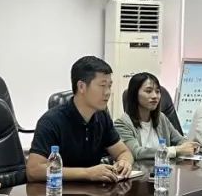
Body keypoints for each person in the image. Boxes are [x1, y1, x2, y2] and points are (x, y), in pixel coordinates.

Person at [27, 56, 134, 184]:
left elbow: (123, 151)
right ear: (81, 86)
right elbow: (34, 170)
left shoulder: (102, 116)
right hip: (59, 192)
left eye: (109, 86)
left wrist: (124, 162)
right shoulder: (51, 121)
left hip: (93, 191)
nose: (107, 92)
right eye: (102, 85)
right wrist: (87, 173)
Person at [114, 72, 197, 160]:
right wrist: (175, 150)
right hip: (140, 168)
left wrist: (189, 146)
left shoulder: (161, 118)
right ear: (134, 94)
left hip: (164, 167)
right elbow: (137, 153)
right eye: (148, 91)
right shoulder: (122, 124)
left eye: (157, 92)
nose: (155, 96)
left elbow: (180, 140)